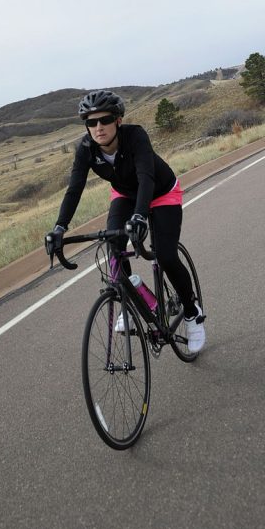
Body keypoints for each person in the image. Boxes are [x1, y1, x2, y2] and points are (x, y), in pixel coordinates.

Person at [47, 90, 205, 352]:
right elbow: (74, 189)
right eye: (91, 122)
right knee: (114, 241)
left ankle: (192, 313)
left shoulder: (135, 136)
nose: (98, 127)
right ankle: (129, 299)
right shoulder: (86, 149)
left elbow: (146, 176)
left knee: (165, 255)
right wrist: (59, 227)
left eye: (105, 120)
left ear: (118, 120)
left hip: (161, 192)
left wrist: (140, 215)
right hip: (125, 195)